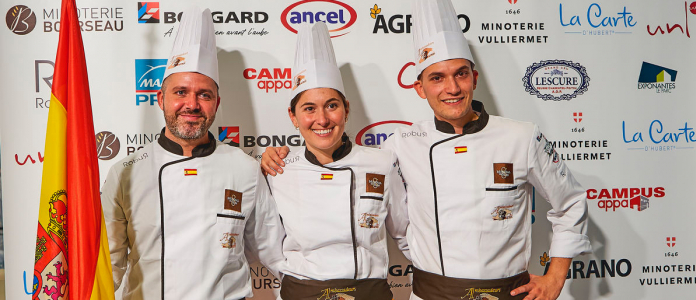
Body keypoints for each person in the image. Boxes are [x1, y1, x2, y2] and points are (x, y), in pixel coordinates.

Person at [261, 1, 591, 299]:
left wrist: (556, 276)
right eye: (437, 78)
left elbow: (571, 201)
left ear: (474, 77)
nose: (452, 88)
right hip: (431, 294)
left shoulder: (521, 137)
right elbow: (402, 228)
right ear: (419, 87)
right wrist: (267, 156)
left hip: (508, 292)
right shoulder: (400, 147)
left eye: (460, 74)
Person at [101, 7, 284, 300]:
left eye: (204, 94)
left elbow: (275, 253)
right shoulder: (126, 172)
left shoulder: (246, 169)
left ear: (216, 102)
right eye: (180, 92)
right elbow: (108, 264)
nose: (192, 104)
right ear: (160, 98)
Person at [266, 22, 409, 300]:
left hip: (369, 292)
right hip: (303, 292)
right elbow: (264, 241)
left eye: (332, 105)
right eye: (309, 109)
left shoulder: (382, 162)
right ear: (293, 117)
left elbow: (405, 233)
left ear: (346, 110)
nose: (322, 119)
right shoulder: (277, 170)